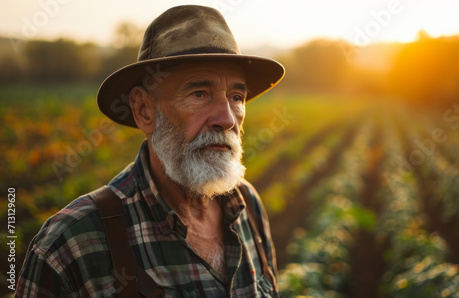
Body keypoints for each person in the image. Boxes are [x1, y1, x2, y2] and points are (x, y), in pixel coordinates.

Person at [16, 5, 284, 297]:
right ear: (144, 110)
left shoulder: (248, 206)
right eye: (199, 93)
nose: (227, 119)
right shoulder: (68, 245)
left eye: (236, 96)